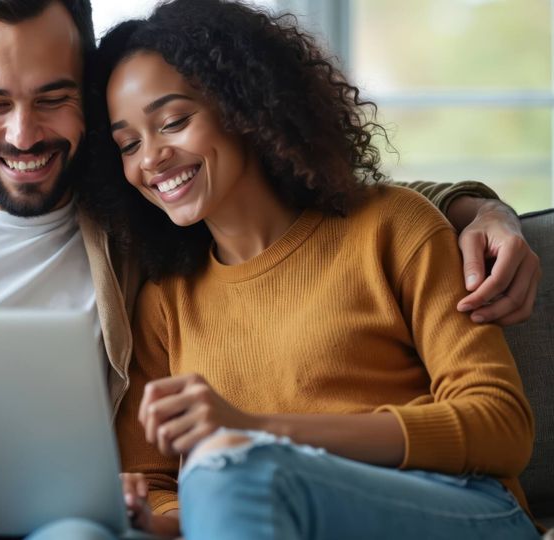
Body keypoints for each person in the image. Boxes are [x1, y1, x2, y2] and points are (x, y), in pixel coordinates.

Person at [0, 0, 541, 538]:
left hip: (435, 509)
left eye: (52, 97)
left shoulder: (146, 241)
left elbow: (495, 416)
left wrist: (478, 206)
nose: (22, 132)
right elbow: (151, 481)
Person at [87, 0, 542, 538]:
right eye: (129, 144)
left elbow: (501, 426)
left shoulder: (394, 227)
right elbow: (153, 483)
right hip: (269, 511)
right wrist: (145, 517)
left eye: (174, 121)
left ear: (246, 107)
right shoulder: (166, 300)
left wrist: (258, 433)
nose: (151, 158)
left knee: (234, 470)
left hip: (461, 507)